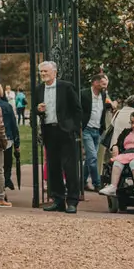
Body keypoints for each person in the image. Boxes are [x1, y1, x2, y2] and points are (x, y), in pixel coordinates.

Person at [35, 60, 84, 213]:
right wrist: (38, 109)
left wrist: (73, 128)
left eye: (46, 71)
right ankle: (58, 199)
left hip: (65, 131)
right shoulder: (38, 89)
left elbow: (77, 109)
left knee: (70, 167)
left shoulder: (66, 87)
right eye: (41, 71)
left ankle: (72, 201)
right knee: (53, 167)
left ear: (54, 72)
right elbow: (35, 109)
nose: (43, 74)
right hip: (49, 131)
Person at [82, 71, 112, 193]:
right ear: (95, 83)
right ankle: (97, 183)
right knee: (93, 157)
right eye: (103, 84)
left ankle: (82, 182)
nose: (105, 86)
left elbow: (104, 110)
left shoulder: (104, 95)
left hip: (97, 130)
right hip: (86, 130)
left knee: (90, 158)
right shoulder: (84, 94)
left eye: (106, 84)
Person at [0, 83, 21, 193]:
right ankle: (4, 183)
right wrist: (17, 144)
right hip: (7, 138)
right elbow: (14, 125)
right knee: (6, 163)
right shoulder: (7, 106)